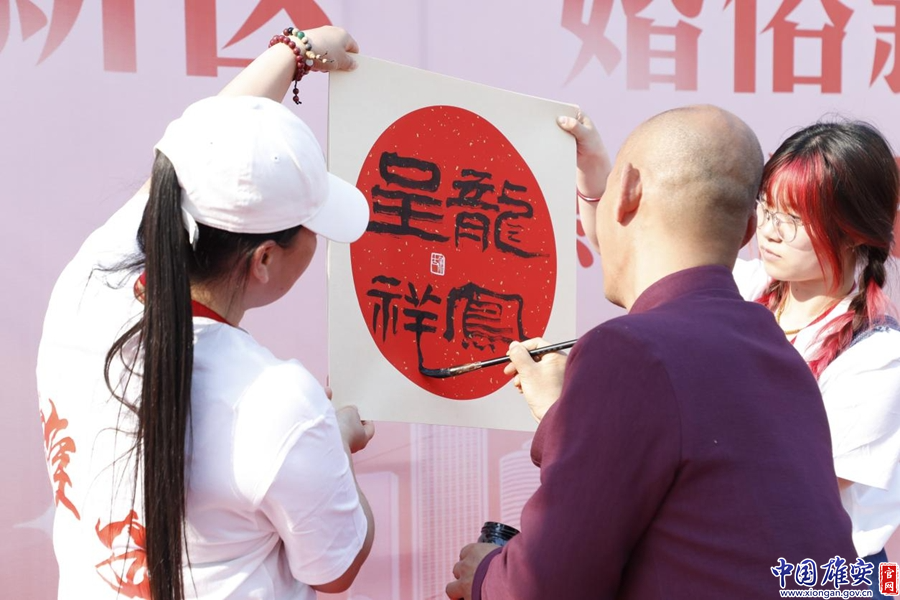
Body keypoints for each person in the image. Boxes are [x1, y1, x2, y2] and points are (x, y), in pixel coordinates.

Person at [446, 106, 858, 599]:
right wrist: (565, 414)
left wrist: (486, 576)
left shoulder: (630, 350)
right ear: (750, 228)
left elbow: (546, 585)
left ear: (626, 192)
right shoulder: (779, 352)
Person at [36, 26, 375, 600]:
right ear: (264, 259)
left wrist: (294, 52)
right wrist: (331, 444)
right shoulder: (277, 402)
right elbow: (335, 570)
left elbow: (193, 158)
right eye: (313, 228)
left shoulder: (87, 288)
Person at [732, 120, 900, 597]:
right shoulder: (744, 284)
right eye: (766, 206)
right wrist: (593, 181)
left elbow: (797, 490)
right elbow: (642, 272)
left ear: (853, 232)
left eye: (792, 218)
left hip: (830, 578)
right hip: (752, 562)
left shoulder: (881, 358)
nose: (769, 231)